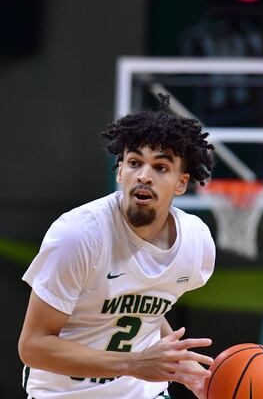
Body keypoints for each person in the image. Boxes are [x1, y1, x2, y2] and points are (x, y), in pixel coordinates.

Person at [18, 106, 218, 399]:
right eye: (135, 163)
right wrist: (134, 363)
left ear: (181, 183)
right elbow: (33, 346)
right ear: (120, 170)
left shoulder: (196, 242)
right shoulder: (79, 236)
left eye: (160, 167)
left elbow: (142, 308)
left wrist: (184, 369)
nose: (144, 176)